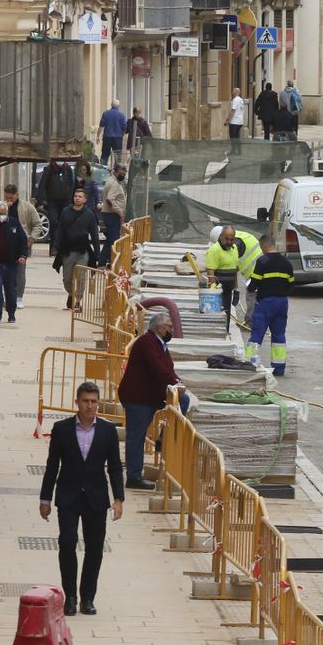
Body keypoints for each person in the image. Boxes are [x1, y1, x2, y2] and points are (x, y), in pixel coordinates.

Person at [39, 381, 124, 617]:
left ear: (98, 403)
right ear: (77, 402)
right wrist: (45, 499)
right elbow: (52, 466)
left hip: (96, 497)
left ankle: (87, 597)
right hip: (68, 495)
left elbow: (115, 468)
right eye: (85, 401)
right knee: (67, 542)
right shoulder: (62, 429)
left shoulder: (108, 431)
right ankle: (71, 597)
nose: (89, 406)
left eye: (94, 401)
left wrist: (118, 499)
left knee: (95, 548)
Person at [119, 309, 187, 490]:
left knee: (184, 400)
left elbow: (169, 369)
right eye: (169, 327)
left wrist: (178, 383)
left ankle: (163, 438)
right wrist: (175, 383)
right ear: (159, 328)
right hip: (138, 396)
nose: (172, 330)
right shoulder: (147, 342)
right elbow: (158, 369)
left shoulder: (161, 344)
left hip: (152, 394)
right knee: (136, 436)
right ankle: (133, 476)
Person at [246, 235, 295, 376]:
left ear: (264, 246)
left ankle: (251, 364)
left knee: (257, 334)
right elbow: (291, 286)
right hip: (281, 303)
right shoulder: (287, 263)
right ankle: (279, 368)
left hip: (265, 303)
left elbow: (253, 285)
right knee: (279, 335)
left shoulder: (262, 261)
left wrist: (251, 288)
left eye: (261, 248)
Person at [203, 225, 258, 334]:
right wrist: (213, 291)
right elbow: (211, 273)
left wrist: (236, 289)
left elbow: (234, 270)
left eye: (231, 239)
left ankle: (226, 331)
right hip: (219, 289)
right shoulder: (215, 250)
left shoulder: (234, 248)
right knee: (218, 313)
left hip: (231, 287)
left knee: (228, 311)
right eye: (226, 239)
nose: (229, 242)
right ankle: (217, 333)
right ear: (221, 237)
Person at [52, 188, 100, 311]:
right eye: (75, 196)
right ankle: (71, 294)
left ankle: (78, 301)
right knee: (67, 278)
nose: (77, 198)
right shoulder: (65, 212)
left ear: (85, 199)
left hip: (82, 251)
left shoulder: (89, 215)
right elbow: (60, 230)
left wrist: (97, 254)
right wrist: (56, 246)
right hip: (67, 250)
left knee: (81, 277)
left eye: (80, 196)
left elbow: (94, 235)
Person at [0, 200, 28, 324]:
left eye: (3, 213)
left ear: (6, 212)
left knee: (10, 290)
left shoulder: (14, 223)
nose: (1, 216)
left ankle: (11, 313)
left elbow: (23, 240)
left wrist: (23, 255)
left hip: (12, 263)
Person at [3, 183, 42, 309]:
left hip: (22, 244)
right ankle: (8, 296)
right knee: (7, 271)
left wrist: (31, 239)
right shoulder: (2, 207)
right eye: (7, 198)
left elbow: (37, 224)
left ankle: (19, 297)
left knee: (20, 272)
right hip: (6, 243)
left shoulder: (27, 207)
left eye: (11, 198)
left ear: (17, 195)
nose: (9, 201)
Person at [39, 157, 76, 256]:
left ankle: (63, 247)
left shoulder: (68, 169)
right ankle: (54, 248)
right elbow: (42, 185)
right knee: (54, 221)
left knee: (65, 223)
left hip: (65, 202)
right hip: (52, 202)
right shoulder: (48, 170)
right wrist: (41, 202)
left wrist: (72, 200)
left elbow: (72, 185)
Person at [99, 164, 126, 253]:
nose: (122, 176)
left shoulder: (111, 180)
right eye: (121, 174)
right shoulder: (114, 184)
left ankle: (106, 260)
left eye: (124, 174)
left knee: (111, 239)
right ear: (115, 172)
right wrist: (120, 212)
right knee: (113, 239)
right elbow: (110, 199)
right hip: (112, 215)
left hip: (109, 214)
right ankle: (104, 261)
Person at [97, 99, 127, 164]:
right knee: (118, 157)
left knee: (104, 155)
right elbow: (125, 128)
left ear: (111, 105)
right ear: (118, 106)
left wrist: (98, 136)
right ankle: (117, 171)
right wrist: (122, 135)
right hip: (117, 138)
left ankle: (103, 170)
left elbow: (101, 126)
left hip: (107, 137)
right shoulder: (122, 115)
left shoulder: (105, 113)